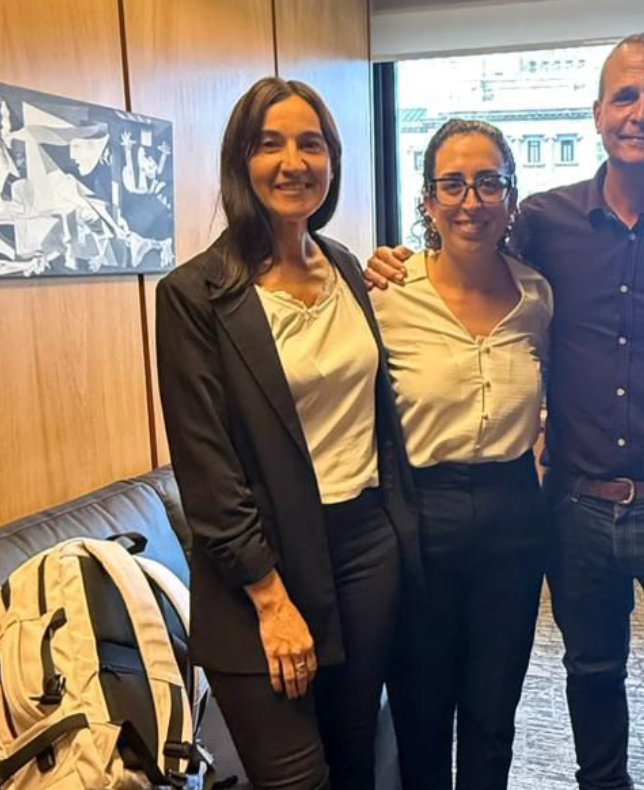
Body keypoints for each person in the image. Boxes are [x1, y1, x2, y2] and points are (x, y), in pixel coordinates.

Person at [367, 32, 644, 790]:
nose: (642, 112)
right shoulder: (544, 227)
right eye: (625, 95)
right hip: (576, 505)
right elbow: (466, 249)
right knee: (589, 675)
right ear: (596, 113)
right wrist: (385, 259)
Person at [156, 77, 420, 790]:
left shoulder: (344, 269)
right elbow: (205, 467)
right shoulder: (195, 296)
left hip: (365, 551)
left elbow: (378, 414)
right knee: (297, 780)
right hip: (258, 574)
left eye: (310, 143)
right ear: (240, 160)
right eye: (269, 143)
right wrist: (271, 599)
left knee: (355, 761)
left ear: (332, 161)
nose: (292, 161)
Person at [371, 119, 552, 790]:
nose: (470, 201)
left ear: (509, 195)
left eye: (487, 183)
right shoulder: (385, 293)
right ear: (426, 200)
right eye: (451, 184)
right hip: (419, 514)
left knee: (492, 711)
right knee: (421, 710)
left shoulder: (537, 296)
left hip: (513, 513)